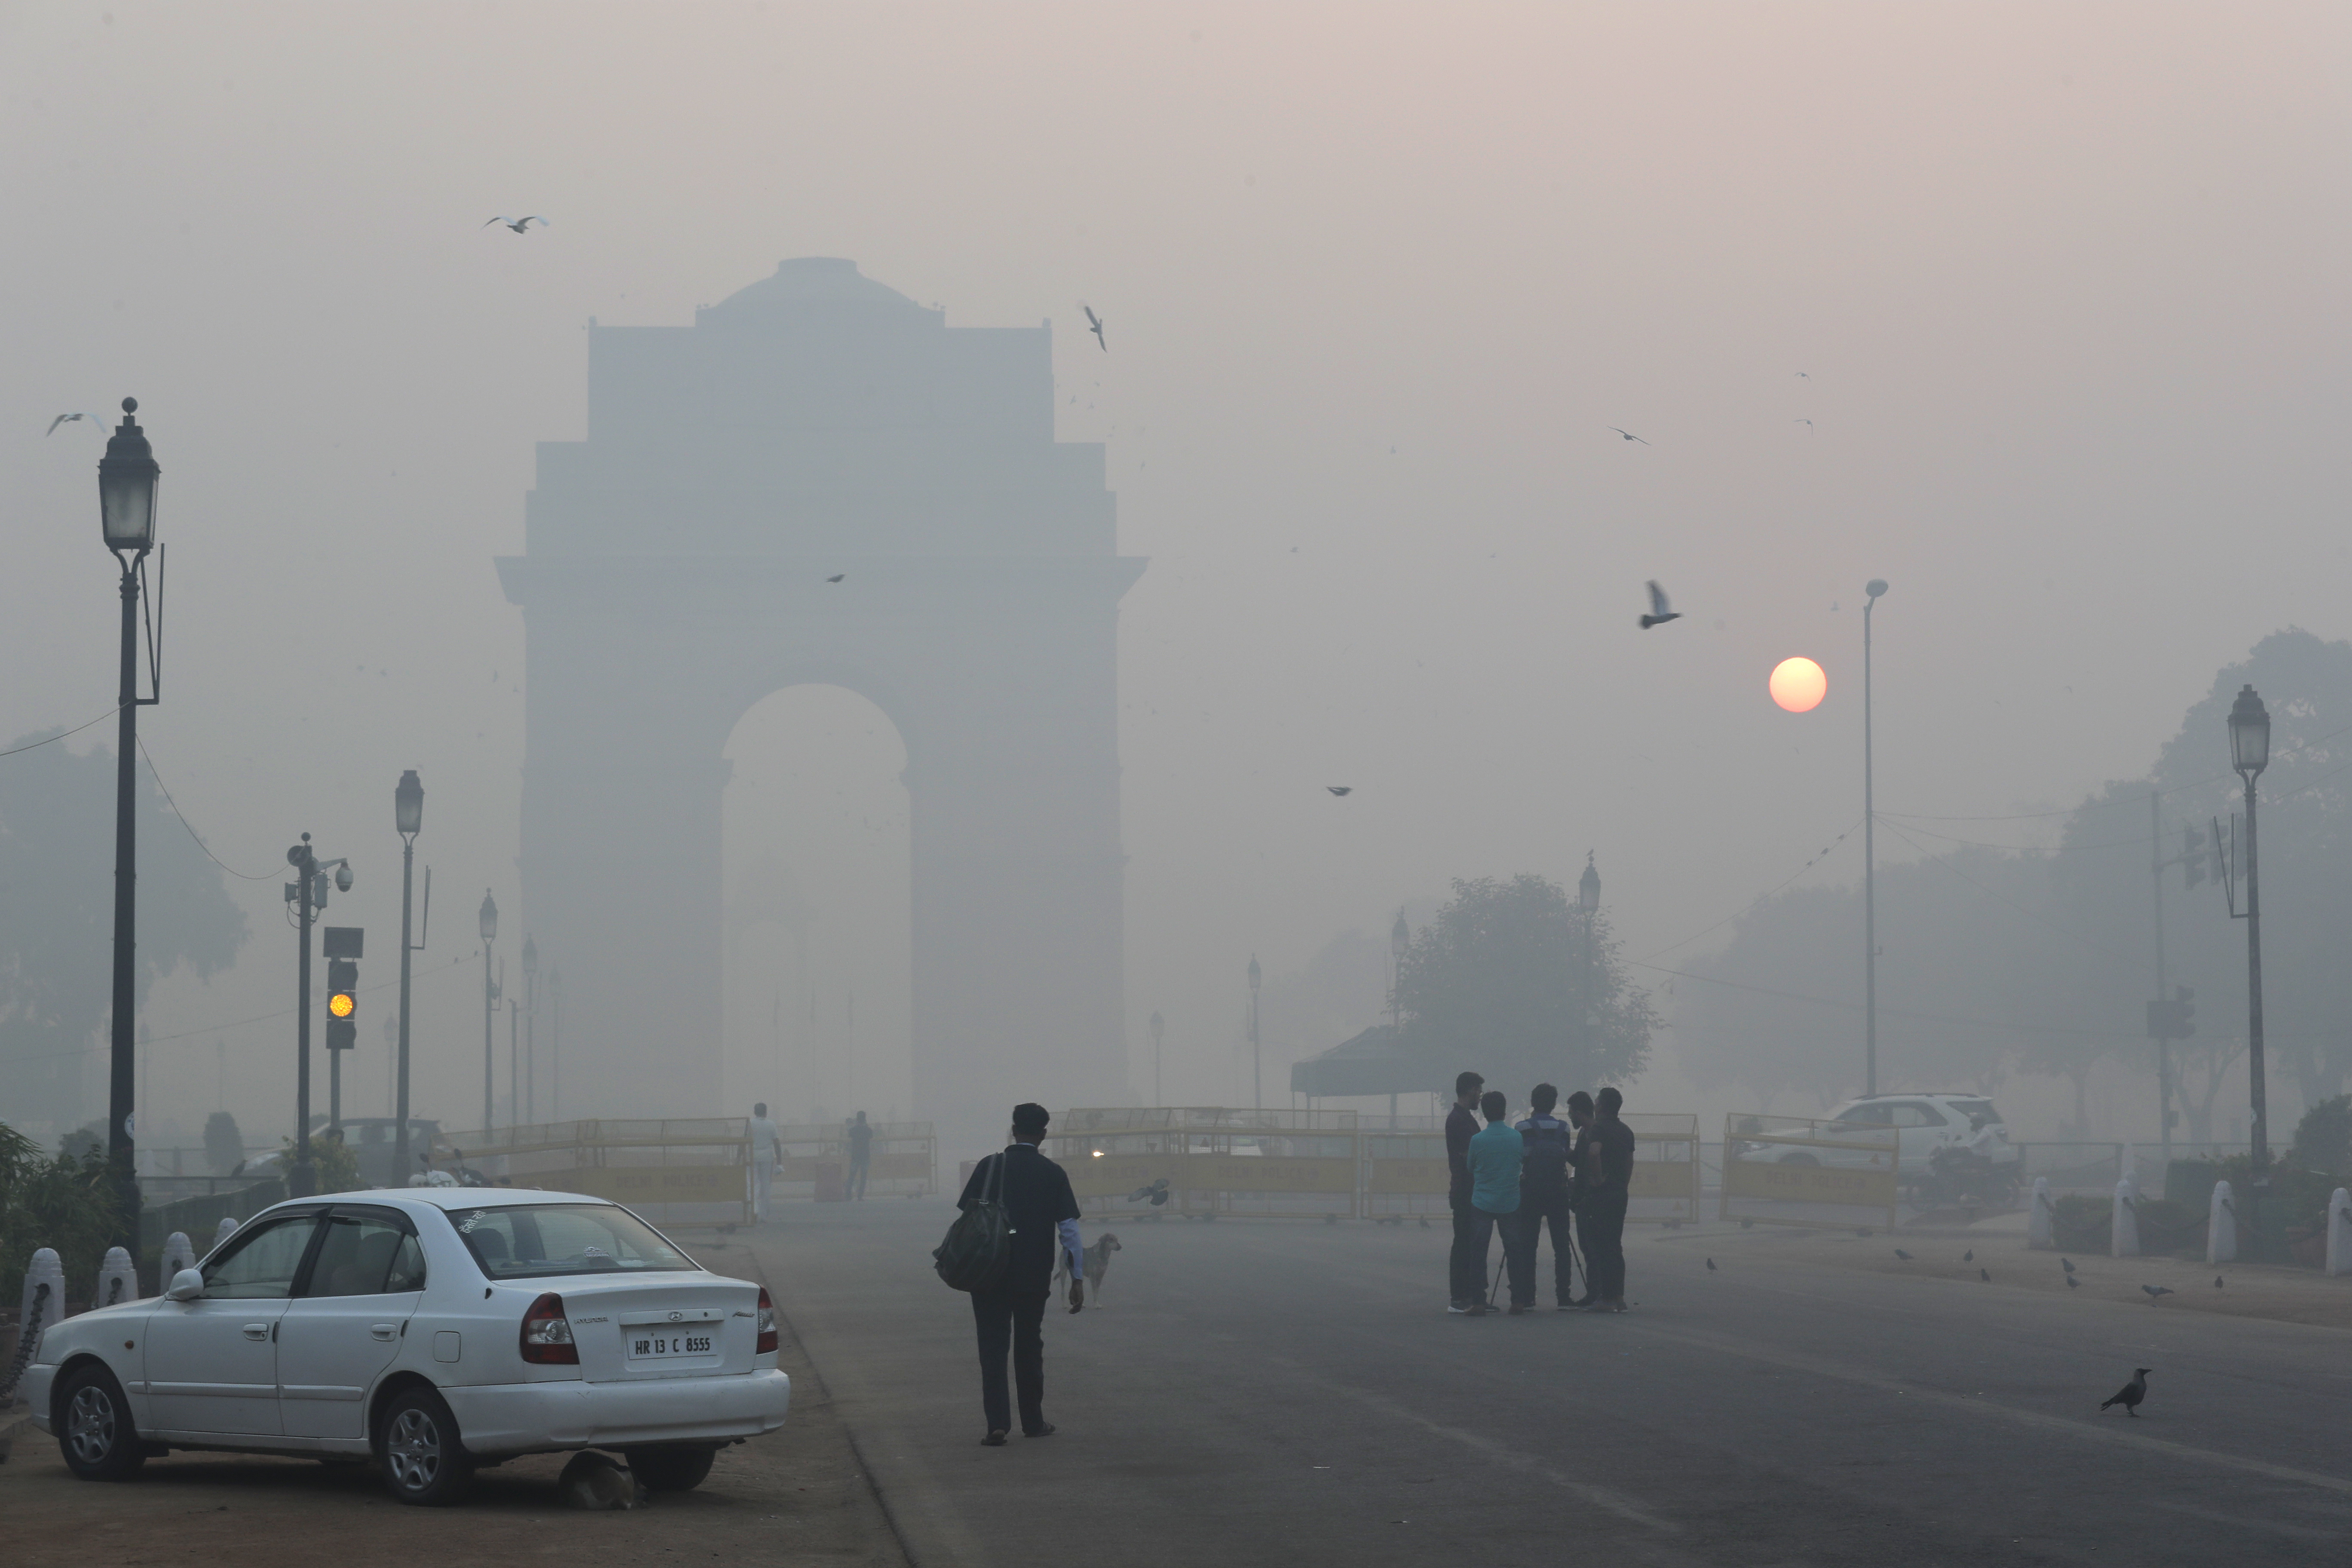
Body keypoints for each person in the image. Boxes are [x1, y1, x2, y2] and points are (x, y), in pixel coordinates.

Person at [956, 1102, 1086, 1445]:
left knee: (993, 1347)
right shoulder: (1053, 1173)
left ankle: (997, 1424)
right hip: (1032, 1274)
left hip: (988, 1271)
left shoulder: (990, 1166)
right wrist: (1077, 1277)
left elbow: (968, 1216)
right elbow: (1069, 1230)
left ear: (1013, 1131)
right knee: (1029, 1347)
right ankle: (1033, 1422)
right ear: (1043, 1135)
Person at [1508, 1083, 1578, 1312]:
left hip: (1530, 1192)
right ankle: (1564, 1297)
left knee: (1528, 1245)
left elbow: (1520, 1158)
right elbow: (1564, 1157)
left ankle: (1528, 1296)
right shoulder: (1564, 1128)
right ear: (1554, 1103)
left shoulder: (1522, 1127)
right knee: (1561, 1245)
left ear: (1533, 1102)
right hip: (1558, 1192)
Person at [1574, 1086, 1637, 1312]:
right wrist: (1623, 1184)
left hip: (1602, 1195)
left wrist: (1598, 1178)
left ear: (1600, 1106)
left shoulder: (1599, 1129)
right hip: (1620, 1194)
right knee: (1615, 1246)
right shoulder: (1626, 1130)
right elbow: (1630, 1161)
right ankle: (1619, 1297)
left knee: (1601, 1246)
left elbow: (1593, 1152)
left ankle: (1606, 1298)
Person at [1465, 1090, 1525, 1312]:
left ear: (1484, 1113)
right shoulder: (1517, 1137)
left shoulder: (1477, 1140)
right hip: (1510, 1200)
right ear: (1505, 1111)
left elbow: (1471, 1168)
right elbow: (1520, 1161)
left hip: (1482, 1201)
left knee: (1479, 1251)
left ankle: (1479, 1301)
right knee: (1514, 1251)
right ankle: (1518, 1300)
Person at [1444, 1070, 1487, 1314]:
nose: (1480, 1095)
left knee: (1469, 1244)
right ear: (1470, 1090)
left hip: (1469, 1189)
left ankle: (1471, 1295)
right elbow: (1468, 1156)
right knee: (1463, 1244)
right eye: (1479, 1090)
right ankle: (1460, 1297)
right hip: (1465, 1190)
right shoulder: (1460, 1121)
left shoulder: (1466, 1118)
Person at [749, 1102, 780, 1223]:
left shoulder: (750, 1124)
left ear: (755, 1112)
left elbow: (743, 1141)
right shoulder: (771, 1124)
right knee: (766, 1185)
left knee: (754, 1184)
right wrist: (780, 1162)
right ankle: (763, 1215)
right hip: (767, 1157)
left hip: (753, 1156)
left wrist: (738, 1158)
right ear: (766, 1112)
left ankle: (754, 1210)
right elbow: (777, 1143)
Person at [847, 1111, 873, 1200]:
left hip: (855, 1156)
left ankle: (848, 1195)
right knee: (863, 1177)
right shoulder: (868, 1130)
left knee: (852, 1176)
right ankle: (860, 1196)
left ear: (858, 1120)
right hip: (865, 1156)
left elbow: (850, 1134)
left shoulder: (854, 1130)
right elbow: (871, 1135)